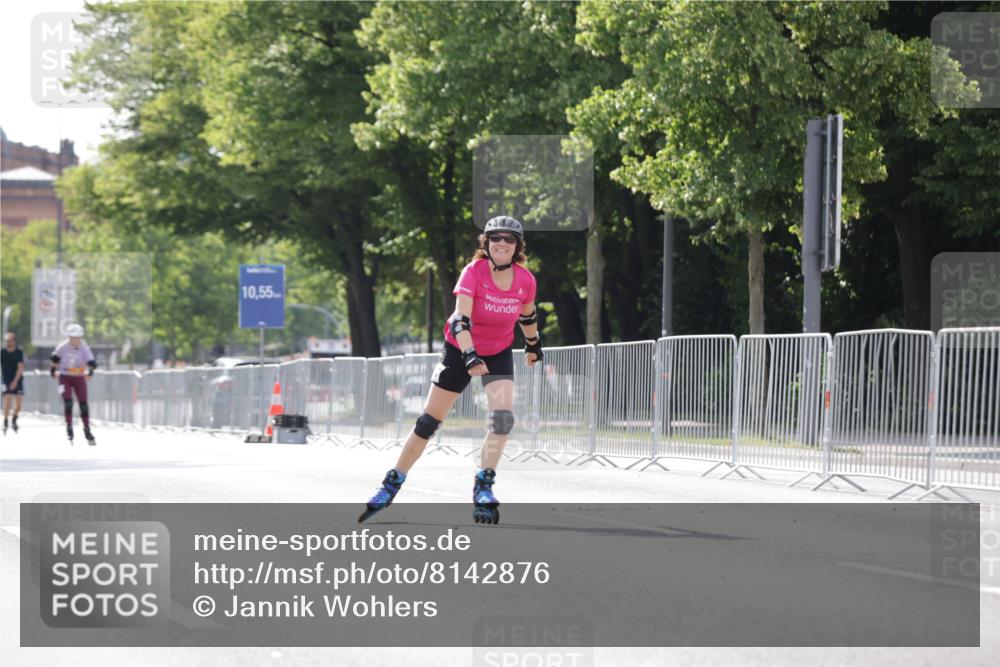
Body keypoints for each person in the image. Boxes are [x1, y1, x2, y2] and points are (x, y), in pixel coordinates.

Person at [359, 216, 543, 525]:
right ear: (486, 243)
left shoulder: (525, 280)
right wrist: (470, 356)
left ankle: (484, 485)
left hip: (497, 352)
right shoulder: (474, 272)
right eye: (495, 238)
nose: (501, 243)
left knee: (502, 419)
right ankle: (391, 484)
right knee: (428, 422)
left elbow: (528, 315)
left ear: (517, 247)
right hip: (460, 350)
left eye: (509, 239)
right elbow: (460, 320)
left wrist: (534, 345)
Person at [50, 323, 97, 445]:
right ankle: (69, 426)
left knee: (84, 405)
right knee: (68, 403)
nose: (76, 340)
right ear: (69, 337)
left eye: (78, 338)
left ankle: (87, 430)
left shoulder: (84, 347)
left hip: (79, 377)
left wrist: (90, 372)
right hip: (65, 377)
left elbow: (92, 362)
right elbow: (55, 360)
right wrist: (53, 371)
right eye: (74, 338)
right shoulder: (62, 347)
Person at [2, 332, 25, 435]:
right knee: (7, 399)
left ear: (14, 341)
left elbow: (20, 367)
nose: (8, 343)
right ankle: (6, 420)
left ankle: (14, 419)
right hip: (6, 380)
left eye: (10, 341)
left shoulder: (19, 352)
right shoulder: (2, 352)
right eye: (7, 341)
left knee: (19, 404)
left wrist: (15, 381)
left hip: (17, 379)